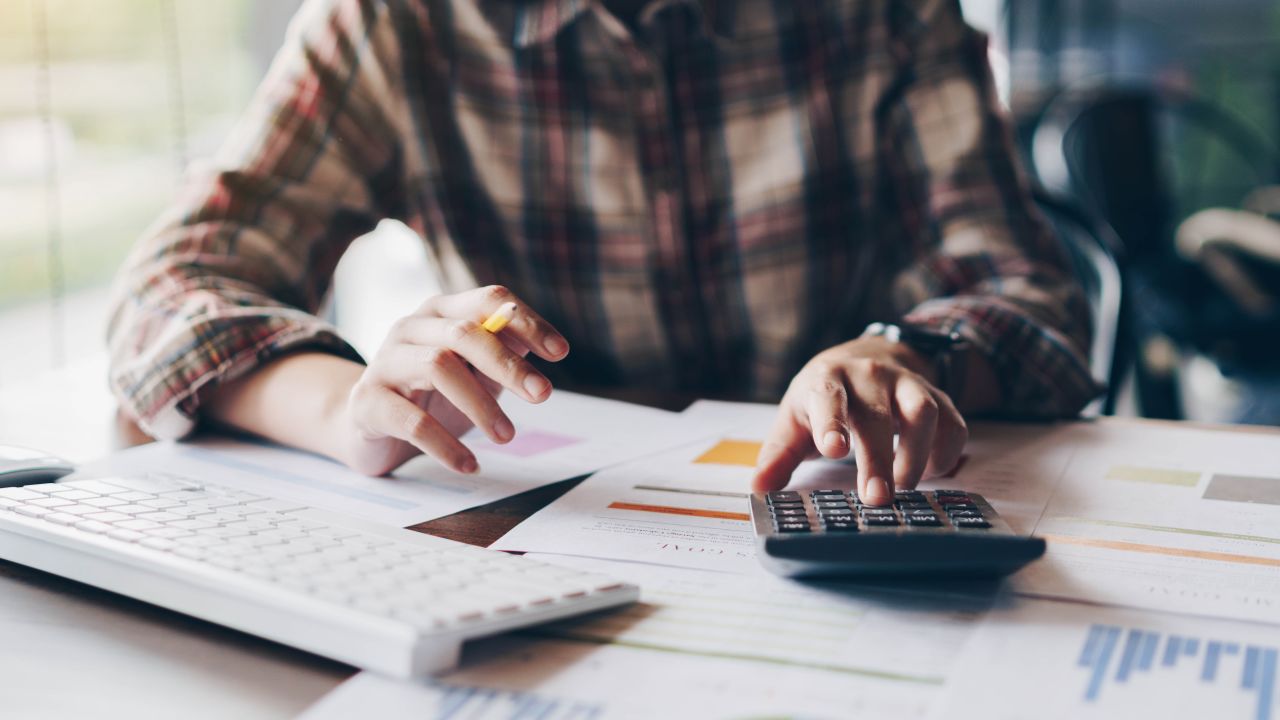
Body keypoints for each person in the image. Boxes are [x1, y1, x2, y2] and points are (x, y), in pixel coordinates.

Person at [107, 0, 1099, 507]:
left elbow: (1030, 292)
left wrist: (902, 351)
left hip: (839, 502)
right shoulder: (396, 23)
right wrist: (352, 410)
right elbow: (167, 293)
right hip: (538, 534)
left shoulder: (878, 16)